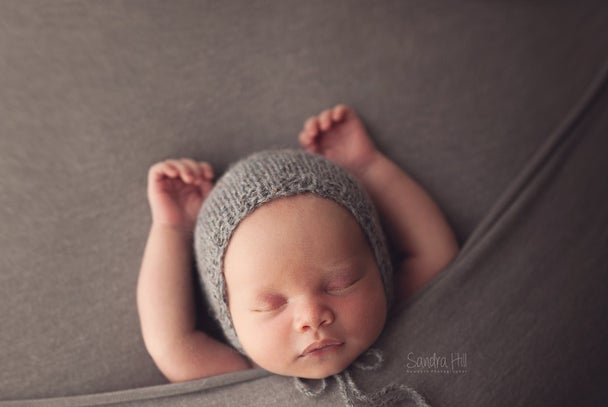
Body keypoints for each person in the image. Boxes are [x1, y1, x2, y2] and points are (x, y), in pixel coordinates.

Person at [137, 105, 458, 383]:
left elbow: (435, 251)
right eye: (271, 305)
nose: (312, 316)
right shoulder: (243, 377)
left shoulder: (401, 317)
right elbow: (172, 344)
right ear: (230, 318)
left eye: (340, 284)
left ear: (380, 268)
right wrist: (172, 228)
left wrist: (368, 167)